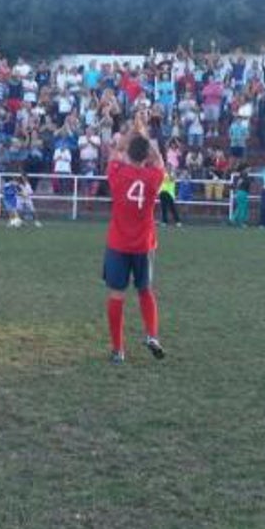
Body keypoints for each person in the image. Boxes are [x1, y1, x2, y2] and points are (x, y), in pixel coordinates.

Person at [102, 123, 166, 365]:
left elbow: (114, 152)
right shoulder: (153, 177)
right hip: (144, 245)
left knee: (117, 295)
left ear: (128, 152)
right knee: (145, 290)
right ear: (146, 156)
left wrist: (129, 133)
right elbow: (159, 161)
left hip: (118, 244)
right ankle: (152, 334)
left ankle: (118, 350)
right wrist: (145, 134)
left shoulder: (118, 173)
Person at [229, 162, 251, 228]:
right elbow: (240, 181)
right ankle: (241, 222)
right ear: (246, 168)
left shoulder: (243, 174)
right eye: (249, 167)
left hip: (241, 192)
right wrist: (236, 187)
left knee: (240, 206)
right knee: (243, 207)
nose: (250, 168)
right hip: (242, 192)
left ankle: (233, 219)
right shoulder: (244, 174)